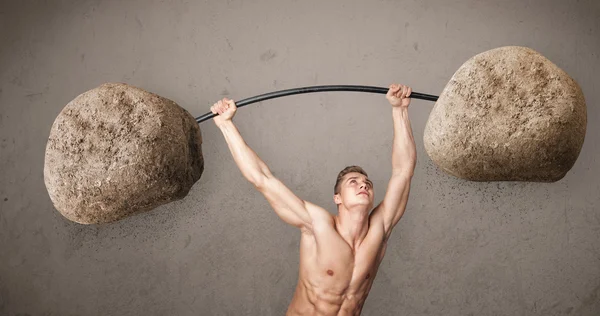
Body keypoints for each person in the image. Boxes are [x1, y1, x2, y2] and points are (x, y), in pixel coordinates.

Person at [210, 83, 416, 315]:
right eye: (353, 182)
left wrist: (400, 110)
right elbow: (262, 179)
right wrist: (226, 124)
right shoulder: (317, 225)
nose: (363, 184)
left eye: (367, 183)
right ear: (337, 198)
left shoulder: (380, 228)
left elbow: (403, 171)